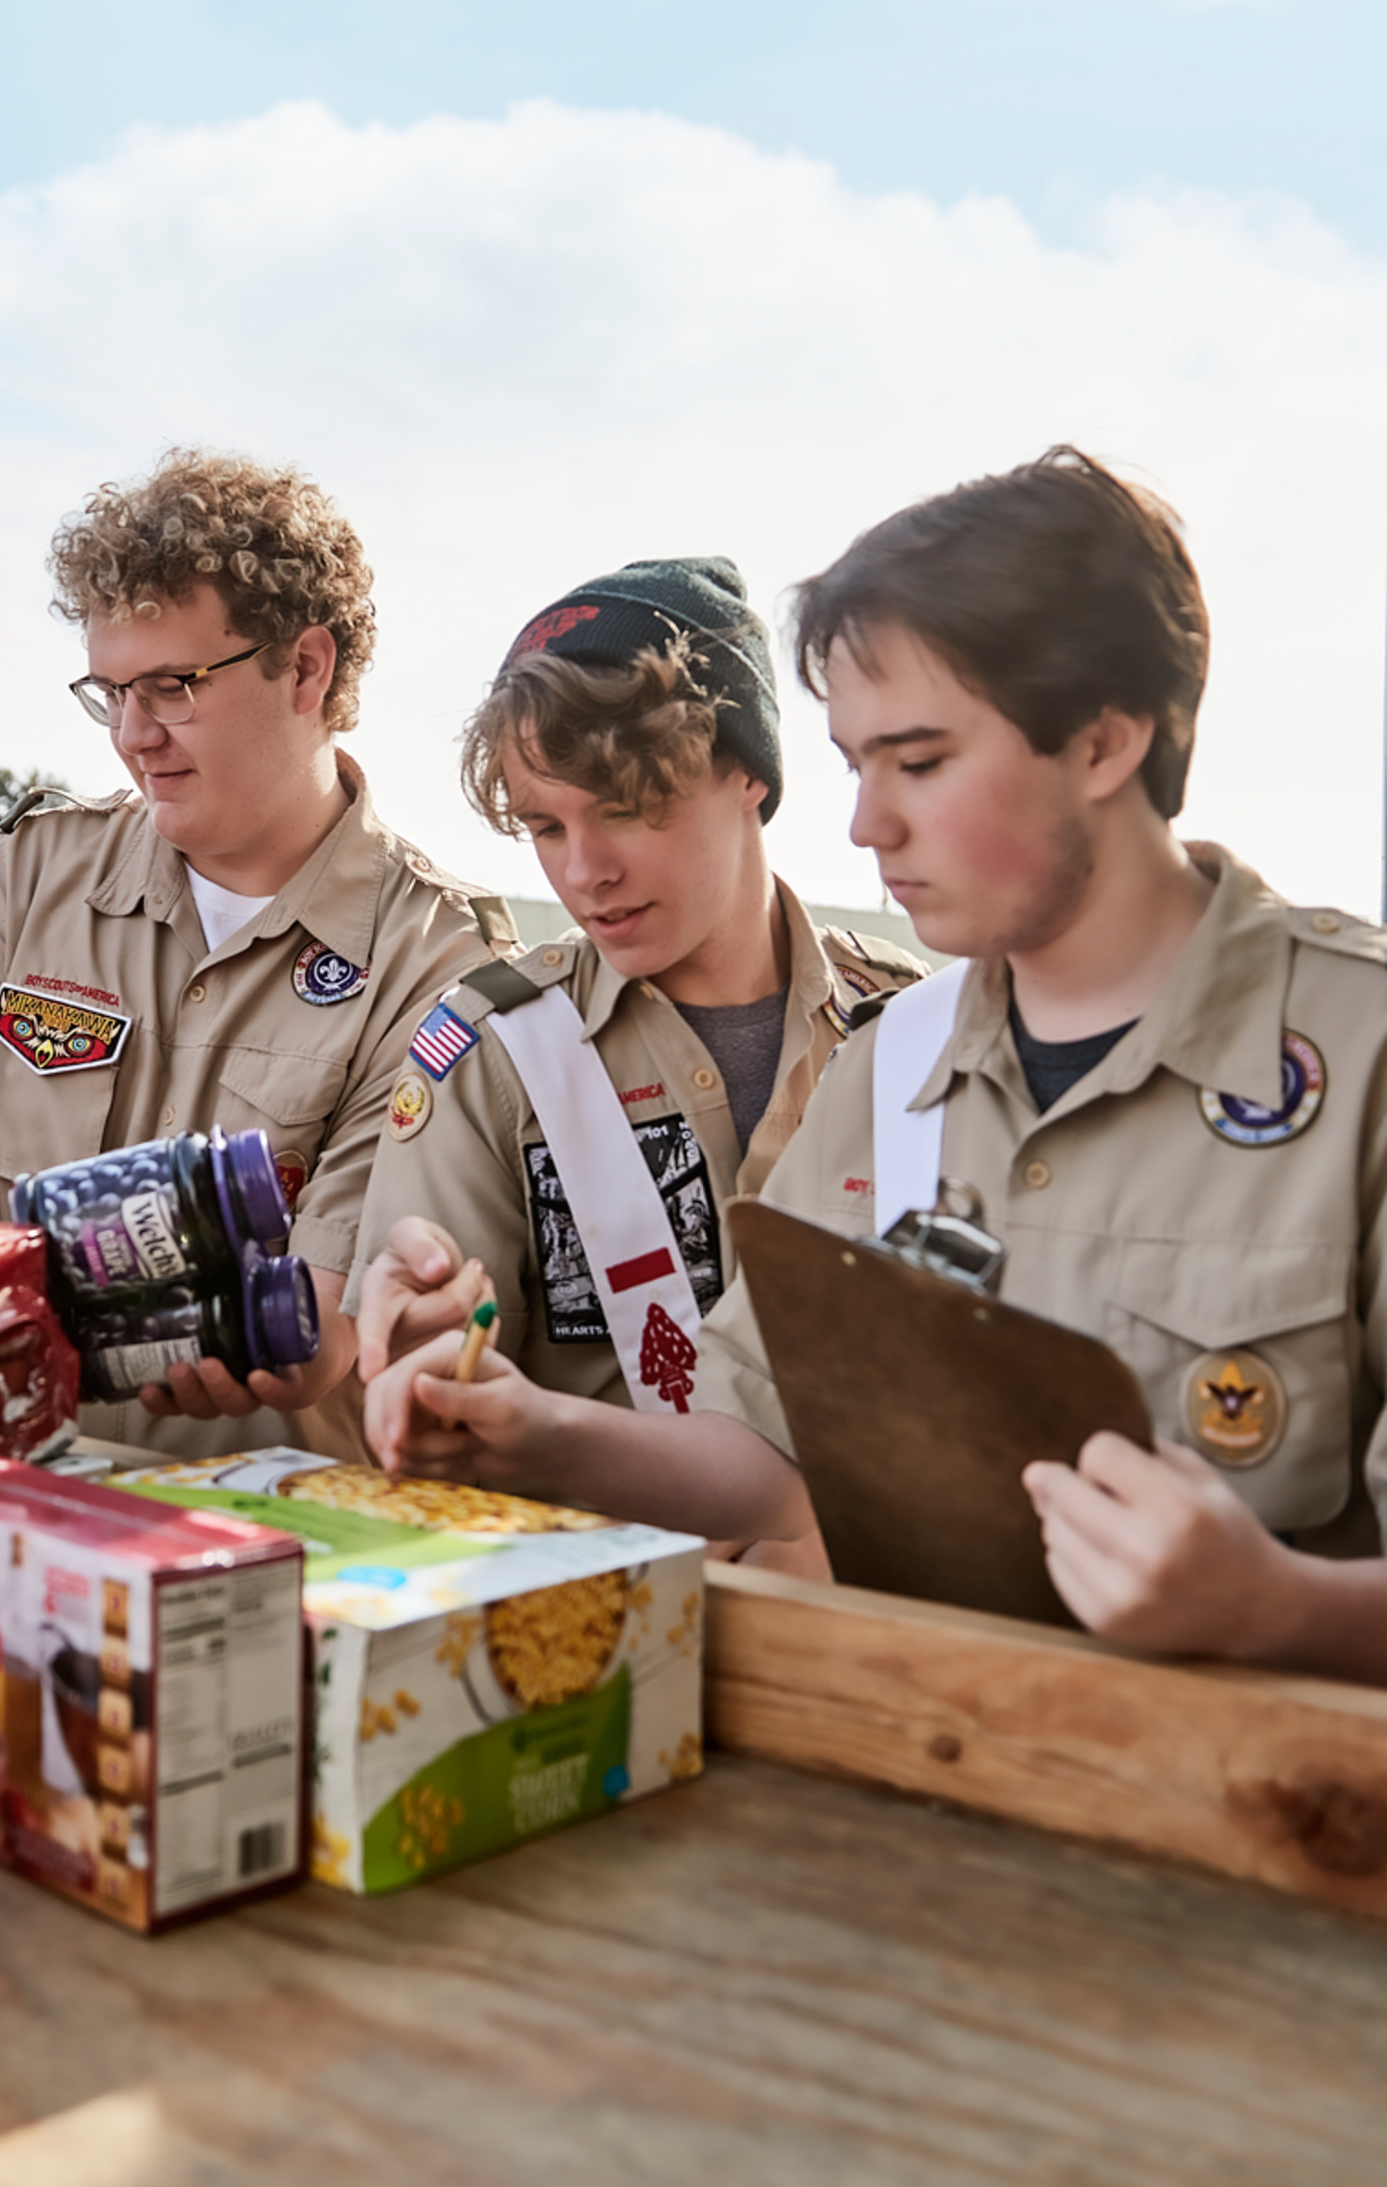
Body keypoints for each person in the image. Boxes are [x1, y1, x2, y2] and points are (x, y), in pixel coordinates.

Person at [367, 448, 1387, 1686]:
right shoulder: (891, 1062)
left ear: (1105, 740)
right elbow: (759, 1445)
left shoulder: (1361, 1055)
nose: (865, 826)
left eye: (919, 762)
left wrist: (1273, 1605)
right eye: (855, 765)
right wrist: (532, 1434)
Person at [0, 447, 511, 1461]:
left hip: (269, 1535)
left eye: (171, 686)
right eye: (108, 691)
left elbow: (325, 1324)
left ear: (306, 667)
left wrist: (264, 1337)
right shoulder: (29, 876)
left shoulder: (435, 954)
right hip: (8, 1483)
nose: (133, 734)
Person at [349, 559, 923, 1450]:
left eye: (625, 808)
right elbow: (426, 1394)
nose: (584, 871)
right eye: (545, 825)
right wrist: (418, 1352)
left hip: (860, 1584)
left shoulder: (913, 1028)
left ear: (752, 778)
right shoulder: (490, 1052)